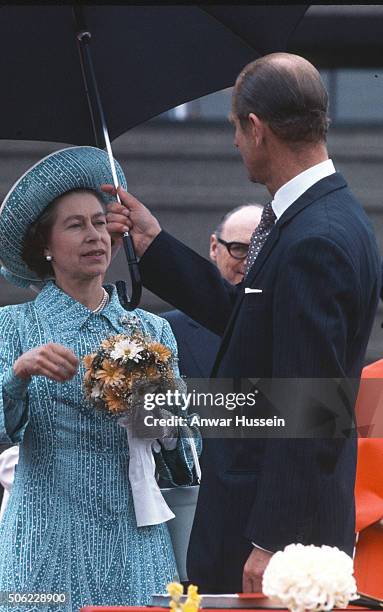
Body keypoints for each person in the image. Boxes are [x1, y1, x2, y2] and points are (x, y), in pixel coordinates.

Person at [105, 52, 381, 594]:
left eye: (234, 125)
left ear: (256, 129)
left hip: (272, 542)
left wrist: (270, 543)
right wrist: (155, 248)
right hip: (274, 525)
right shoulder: (317, 216)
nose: (233, 141)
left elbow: (309, 405)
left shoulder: (314, 236)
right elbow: (252, 322)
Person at [0, 146, 200, 610]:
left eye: (99, 222)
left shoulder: (151, 330)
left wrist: (167, 425)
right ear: (44, 245)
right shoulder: (14, 327)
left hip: (137, 549)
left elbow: (188, 460)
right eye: (75, 225)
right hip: (44, 552)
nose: (95, 236)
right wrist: (18, 375)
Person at [163, 204, 262, 378]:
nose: (250, 262)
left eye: (261, 251)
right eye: (239, 248)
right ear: (215, 247)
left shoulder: (293, 327)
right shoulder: (166, 330)